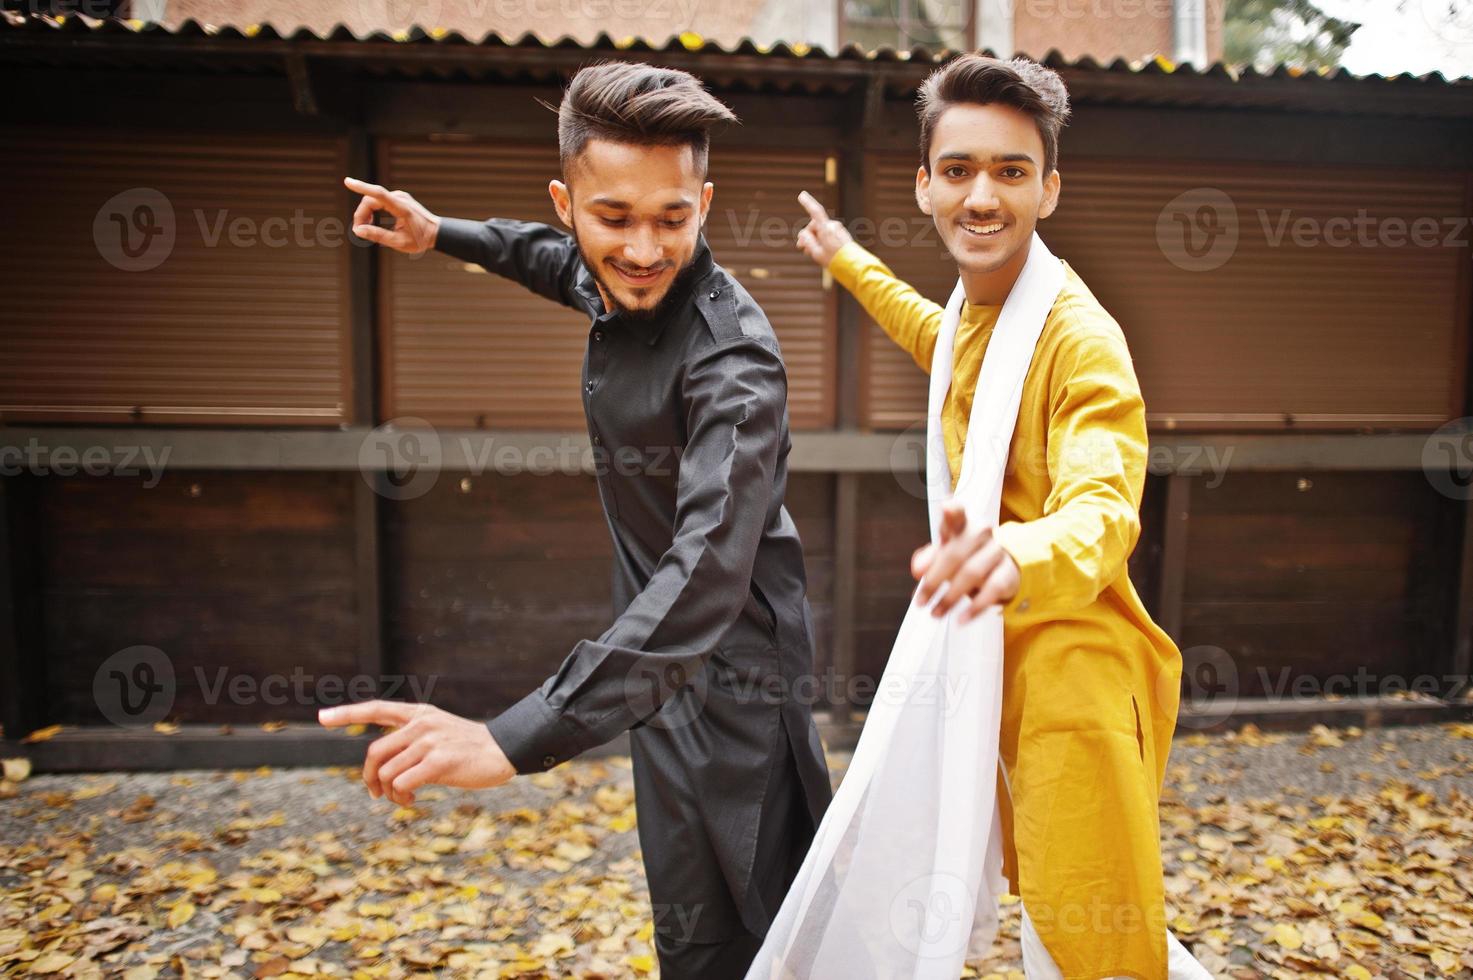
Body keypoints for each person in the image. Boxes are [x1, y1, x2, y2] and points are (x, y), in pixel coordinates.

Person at [318, 60, 833, 980]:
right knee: (685, 920)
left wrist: (509, 737)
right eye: (614, 218)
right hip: (649, 669)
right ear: (568, 201)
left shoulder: (735, 364)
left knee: (769, 928)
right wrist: (442, 234)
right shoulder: (605, 272)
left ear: (704, 203)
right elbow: (550, 260)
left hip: (735, 680)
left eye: (673, 218)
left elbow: (709, 567)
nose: (642, 248)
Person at [788, 54, 1211, 978]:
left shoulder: (1074, 334)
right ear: (926, 184)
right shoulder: (978, 313)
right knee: (1039, 919)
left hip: (1073, 684)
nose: (982, 195)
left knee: (1095, 938)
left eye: (1011, 172)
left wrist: (1015, 554)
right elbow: (930, 334)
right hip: (987, 665)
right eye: (958, 170)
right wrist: (844, 260)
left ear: (1048, 190)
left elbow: (1102, 506)